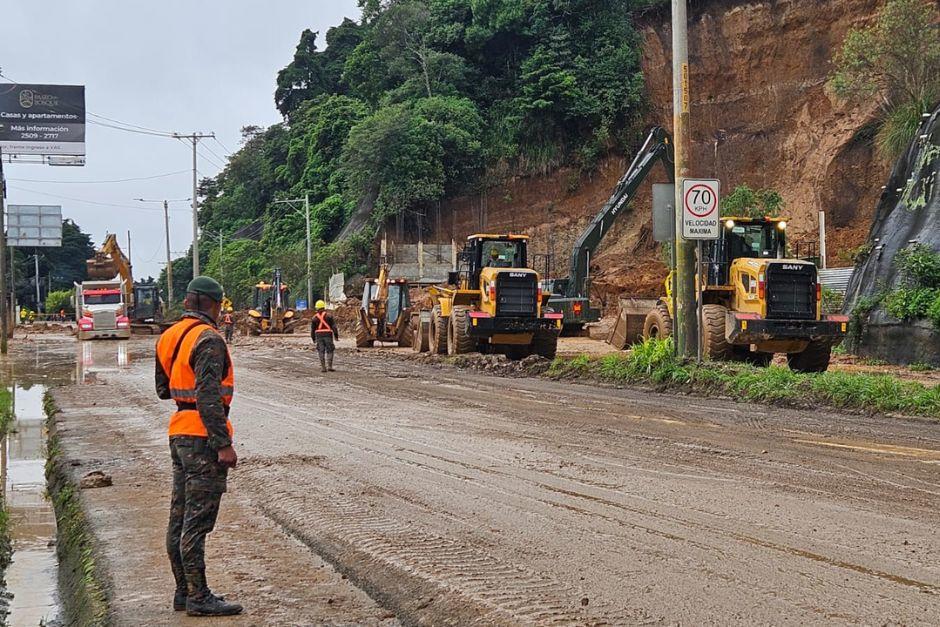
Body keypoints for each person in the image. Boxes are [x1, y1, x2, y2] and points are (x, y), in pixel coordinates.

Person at [155, 276, 242, 617]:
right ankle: (199, 597)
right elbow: (208, 395)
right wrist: (223, 445)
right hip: (203, 438)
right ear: (211, 304)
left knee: (179, 517)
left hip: (179, 432)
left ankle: (183, 591)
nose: (221, 312)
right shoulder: (209, 339)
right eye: (220, 306)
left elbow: (164, 390)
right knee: (197, 521)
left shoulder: (169, 337)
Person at [311, 300, 339, 373]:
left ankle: (323, 367)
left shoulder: (314, 318)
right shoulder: (329, 316)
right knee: (330, 350)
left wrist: (313, 339)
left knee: (321, 351)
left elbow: (312, 330)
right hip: (328, 335)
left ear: (317, 308)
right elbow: (334, 327)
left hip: (319, 336)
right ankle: (330, 366)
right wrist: (336, 336)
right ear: (324, 307)